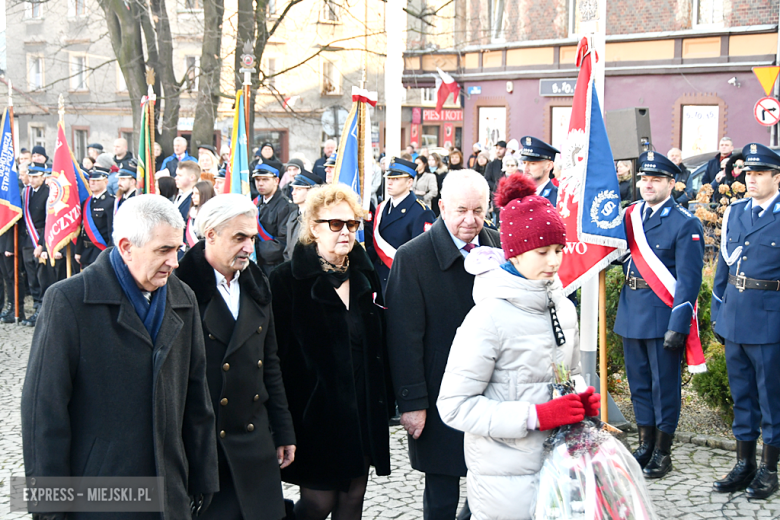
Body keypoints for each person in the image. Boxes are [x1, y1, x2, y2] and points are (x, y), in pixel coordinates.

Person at [21, 195, 219, 518]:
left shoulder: (184, 298)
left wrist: (203, 478)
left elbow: (197, 397)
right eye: (164, 250)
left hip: (170, 495)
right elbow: (43, 411)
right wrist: (49, 508)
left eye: (177, 249)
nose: (175, 262)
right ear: (126, 247)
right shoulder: (68, 301)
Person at [437, 174, 596, 520]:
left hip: (558, 474)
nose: (554, 262)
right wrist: (534, 416)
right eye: (543, 252)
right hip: (504, 486)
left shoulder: (563, 306)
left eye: (558, 250)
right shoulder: (487, 318)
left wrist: (581, 398)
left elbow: (569, 375)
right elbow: (453, 406)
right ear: (517, 252)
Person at [269, 183, 391, 520]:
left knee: (353, 500)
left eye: (352, 224)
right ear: (313, 228)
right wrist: (282, 423)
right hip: (314, 416)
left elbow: (377, 347)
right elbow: (275, 356)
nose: (346, 231)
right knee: (319, 504)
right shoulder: (284, 281)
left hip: (361, 412)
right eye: (335, 224)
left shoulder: (366, 275)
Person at [386, 169, 500, 520]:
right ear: (442, 207)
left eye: (479, 210)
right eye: (461, 210)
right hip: (440, 392)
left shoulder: (500, 245)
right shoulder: (413, 257)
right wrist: (412, 402)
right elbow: (402, 338)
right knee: (442, 490)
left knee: (492, 482)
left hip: (494, 390)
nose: (471, 220)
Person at [176, 194, 296, 520]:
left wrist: (283, 431)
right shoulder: (178, 289)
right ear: (210, 234)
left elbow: (269, 361)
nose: (248, 247)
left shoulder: (257, 283)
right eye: (239, 237)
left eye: (252, 238)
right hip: (206, 445)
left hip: (255, 438)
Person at [614, 150, 704, 479]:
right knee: (638, 385)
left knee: (663, 388)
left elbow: (690, 281)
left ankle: (663, 452)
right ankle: (645, 444)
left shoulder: (685, 223)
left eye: (655, 179)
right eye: (644, 179)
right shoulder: (632, 215)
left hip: (662, 315)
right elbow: (616, 253)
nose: (647, 185)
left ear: (672, 183)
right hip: (631, 309)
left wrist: (678, 325)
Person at [711, 143, 780, 499]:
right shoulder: (736, 212)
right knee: (743, 397)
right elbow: (723, 266)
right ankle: (744, 463)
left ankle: (769, 469)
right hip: (735, 317)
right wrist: (717, 313)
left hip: (769, 320)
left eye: (759, 174)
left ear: (776, 178)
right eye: (748, 173)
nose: (750, 179)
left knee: (770, 399)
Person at [371, 158, 436, 293]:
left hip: (401, 280)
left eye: (396, 179)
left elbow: (421, 255)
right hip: (378, 277)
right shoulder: (383, 207)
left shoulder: (421, 212)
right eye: (389, 178)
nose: (389, 182)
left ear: (409, 182)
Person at [20, 163, 52, 327]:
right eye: (30, 176)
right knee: (31, 276)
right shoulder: (26, 193)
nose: (31, 180)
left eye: (35, 177)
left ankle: (43, 309)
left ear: (43, 177)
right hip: (27, 239)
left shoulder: (48, 193)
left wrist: (41, 244)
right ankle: (36, 305)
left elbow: (49, 221)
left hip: (40, 237)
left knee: (42, 276)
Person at [253, 162, 295, 276]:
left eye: (265, 179)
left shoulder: (285, 206)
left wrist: (253, 248)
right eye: (257, 179)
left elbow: (282, 243)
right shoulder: (256, 203)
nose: (260, 183)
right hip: (257, 264)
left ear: (276, 181)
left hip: (273, 267)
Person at [75, 168, 115, 269]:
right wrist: (78, 251)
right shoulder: (86, 203)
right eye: (91, 180)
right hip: (86, 251)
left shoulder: (111, 202)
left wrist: (109, 252)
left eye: (97, 180)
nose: (93, 183)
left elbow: (112, 231)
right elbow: (81, 228)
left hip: (100, 250)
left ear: (106, 181)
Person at [283, 170, 322, 262]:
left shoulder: (315, 217)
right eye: (293, 188)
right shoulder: (293, 214)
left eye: (299, 189)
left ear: (311, 191)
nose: (293, 193)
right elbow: (288, 248)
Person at [519, 136, 559, 207]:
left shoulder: (558, 198)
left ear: (549, 166)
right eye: (524, 163)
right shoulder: (517, 196)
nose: (526, 169)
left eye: (532, 164)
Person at [184, 181, 216, 251]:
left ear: (205, 195)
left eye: (197, 194)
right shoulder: (192, 214)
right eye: (193, 193)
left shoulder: (212, 216)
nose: (193, 196)